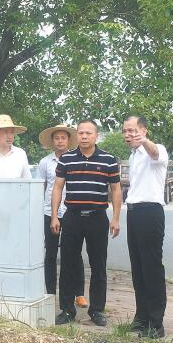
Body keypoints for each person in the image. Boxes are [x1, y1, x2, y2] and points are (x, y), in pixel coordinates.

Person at [50, 119, 121, 327]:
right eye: (81, 133)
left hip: (98, 218)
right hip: (72, 217)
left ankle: (97, 310)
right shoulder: (67, 159)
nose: (84, 136)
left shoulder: (108, 159)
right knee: (68, 265)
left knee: (98, 265)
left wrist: (115, 219)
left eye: (88, 133)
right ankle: (67, 309)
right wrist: (55, 216)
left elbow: (116, 190)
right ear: (77, 136)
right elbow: (57, 188)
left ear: (96, 136)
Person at [122, 116, 169, 338]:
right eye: (126, 131)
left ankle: (156, 323)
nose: (129, 135)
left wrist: (144, 142)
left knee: (151, 267)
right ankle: (141, 317)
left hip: (150, 211)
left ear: (144, 131)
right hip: (133, 212)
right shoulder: (132, 156)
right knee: (138, 268)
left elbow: (155, 153)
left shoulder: (155, 149)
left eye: (133, 131)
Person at [37, 123, 85, 302]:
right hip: (50, 212)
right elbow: (42, 187)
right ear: (52, 141)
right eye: (56, 138)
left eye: (63, 138)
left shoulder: (76, 159)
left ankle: (78, 292)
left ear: (69, 140)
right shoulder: (45, 162)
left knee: (73, 253)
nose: (60, 141)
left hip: (72, 212)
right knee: (50, 253)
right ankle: (50, 292)